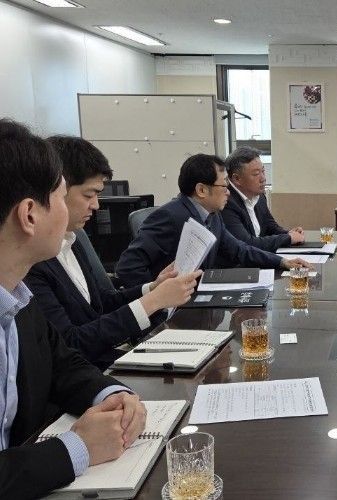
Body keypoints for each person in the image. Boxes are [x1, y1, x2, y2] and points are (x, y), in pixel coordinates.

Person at [0, 119, 146, 498]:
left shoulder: (18, 296)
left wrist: (112, 394)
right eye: (62, 197)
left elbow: (64, 364)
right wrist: (76, 448)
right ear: (29, 215)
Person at [25, 136, 202, 369]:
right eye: (88, 195)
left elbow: (102, 302)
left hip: (101, 361)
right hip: (88, 370)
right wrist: (152, 302)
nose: (96, 205)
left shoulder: (72, 238)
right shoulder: (32, 260)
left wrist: (152, 288)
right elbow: (70, 345)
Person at [115, 154, 310, 286]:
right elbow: (127, 268)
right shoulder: (169, 216)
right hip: (170, 309)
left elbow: (240, 250)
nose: (228, 192)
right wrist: (155, 293)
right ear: (201, 190)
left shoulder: (212, 215)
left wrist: (282, 262)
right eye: (224, 186)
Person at [221, 146, 304, 253]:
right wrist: (288, 238)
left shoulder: (258, 195)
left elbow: (270, 226)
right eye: (256, 174)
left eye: (263, 171)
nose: (263, 178)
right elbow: (246, 243)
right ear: (237, 178)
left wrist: (289, 233)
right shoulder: (225, 202)